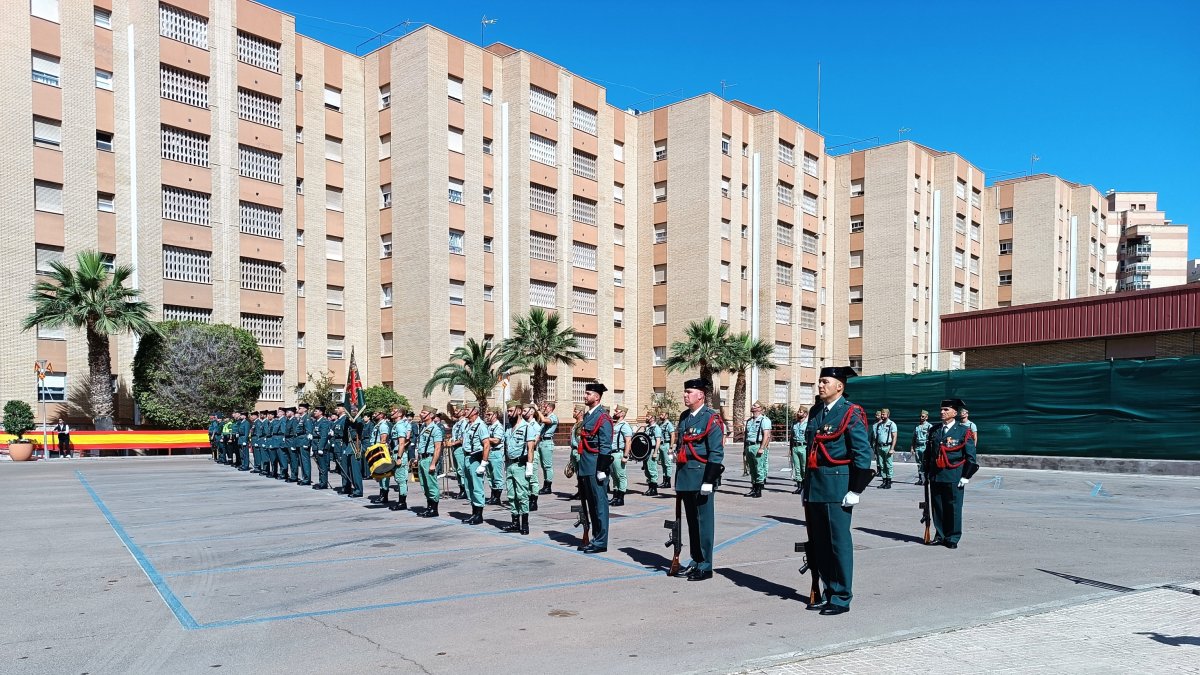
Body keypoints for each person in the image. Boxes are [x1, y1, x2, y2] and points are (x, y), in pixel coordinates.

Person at [803, 366, 873, 615]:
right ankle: (828, 590)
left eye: (825, 381)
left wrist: (856, 489)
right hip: (814, 486)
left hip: (837, 486)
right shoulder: (815, 412)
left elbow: (862, 453)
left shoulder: (851, 412)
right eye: (819, 382)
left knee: (838, 543)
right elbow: (811, 450)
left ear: (839, 386)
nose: (820, 385)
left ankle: (842, 596)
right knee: (820, 544)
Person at [672, 378, 726, 581]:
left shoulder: (711, 418)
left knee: (704, 523)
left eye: (689, 392)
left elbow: (716, 453)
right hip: (685, 476)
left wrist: (709, 481)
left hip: (701, 476)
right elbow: (681, 446)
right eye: (685, 392)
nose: (685, 395)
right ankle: (695, 560)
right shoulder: (684, 416)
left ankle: (706, 565)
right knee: (692, 523)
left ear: (701, 395)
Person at [924, 399, 979, 549]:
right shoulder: (934, 430)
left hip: (954, 474)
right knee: (938, 506)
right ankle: (940, 535)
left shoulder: (963, 430)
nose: (942, 412)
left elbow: (971, 457)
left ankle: (952, 537)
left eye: (946, 409)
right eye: (941, 410)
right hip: (936, 475)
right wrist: (925, 472)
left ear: (955, 413)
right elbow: (928, 453)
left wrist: (966, 476)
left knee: (953, 507)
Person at [576, 382, 613, 554]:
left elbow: (605, 446)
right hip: (586, 466)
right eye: (585, 393)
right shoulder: (589, 415)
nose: (585, 396)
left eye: (588, 393)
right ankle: (596, 537)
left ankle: (601, 541)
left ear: (597, 397)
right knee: (591, 505)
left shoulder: (602, 417)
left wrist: (602, 469)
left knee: (600, 505)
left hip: (596, 466)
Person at [501, 404, 538, 533]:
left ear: (519, 411)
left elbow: (530, 448)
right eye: (508, 411)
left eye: (511, 411)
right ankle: (515, 523)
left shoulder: (527, 428)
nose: (509, 413)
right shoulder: (509, 428)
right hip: (510, 464)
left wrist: (530, 466)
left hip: (520, 465)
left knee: (522, 494)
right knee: (511, 495)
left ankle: (525, 524)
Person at [414, 405, 445, 518]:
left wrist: (433, 463)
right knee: (425, 484)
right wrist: (417, 458)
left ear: (430, 415)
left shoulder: (435, 429)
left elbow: (437, 448)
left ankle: (434, 509)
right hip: (423, 459)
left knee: (431, 484)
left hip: (429, 459)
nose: (421, 414)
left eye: (423, 412)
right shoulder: (424, 427)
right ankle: (429, 507)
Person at [461, 407, 488, 524]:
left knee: (477, 487)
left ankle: (479, 515)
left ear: (475, 411)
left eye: (467, 409)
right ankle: (473, 513)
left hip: (476, 458)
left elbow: (486, 445)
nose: (465, 411)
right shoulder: (468, 425)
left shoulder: (481, 425)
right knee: (469, 486)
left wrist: (483, 463)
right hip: (467, 457)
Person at [743, 401, 772, 498]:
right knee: (752, 469)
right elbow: (746, 435)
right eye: (752, 406)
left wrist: (762, 448)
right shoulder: (749, 420)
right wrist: (744, 448)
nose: (753, 407)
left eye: (755, 406)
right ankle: (753, 488)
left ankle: (759, 490)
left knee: (759, 468)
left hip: (757, 445)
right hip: (749, 446)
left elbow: (766, 435)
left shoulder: (764, 420)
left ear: (760, 409)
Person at [367, 410, 393, 506]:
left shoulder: (383, 425)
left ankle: (384, 496)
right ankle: (382, 494)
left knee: (384, 475)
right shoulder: (378, 424)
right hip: (376, 451)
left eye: (375, 413)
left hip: (380, 452)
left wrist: (380, 451)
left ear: (381, 415)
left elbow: (383, 438)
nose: (374, 415)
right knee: (379, 474)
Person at [609, 405, 633, 506]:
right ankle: (615, 496)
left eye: (617, 411)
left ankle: (621, 498)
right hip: (612, 453)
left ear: (622, 413)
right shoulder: (615, 425)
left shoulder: (624, 426)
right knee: (614, 476)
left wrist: (625, 456)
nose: (615, 412)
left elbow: (628, 441)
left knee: (621, 476)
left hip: (619, 453)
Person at [482, 408, 507, 506]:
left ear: (495, 415)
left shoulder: (498, 426)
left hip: (496, 453)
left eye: (489, 414)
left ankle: (497, 497)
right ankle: (493, 495)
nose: (487, 416)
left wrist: (485, 439)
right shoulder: (489, 426)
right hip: (489, 452)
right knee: (490, 476)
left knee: (497, 476)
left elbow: (497, 440)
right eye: (487, 414)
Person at [389, 408, 412, 511]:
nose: (391, 413)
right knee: (399, 479)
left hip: (400, 455)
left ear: (400, 414)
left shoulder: (400, 426)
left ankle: (402, 503)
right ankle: (401, 501)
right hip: (395, 453)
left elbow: (402, 443)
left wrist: (399, 457)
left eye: (394, 411)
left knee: (402, 480)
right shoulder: (397, 425)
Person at [534, 402, 558, 496]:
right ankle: (545, 485)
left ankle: (548, 486)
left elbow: (544, 420)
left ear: (551, 408)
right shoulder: (546, 417)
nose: (545, 408)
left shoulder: (553, 417)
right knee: (544, 466)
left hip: (547, 443)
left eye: (546, 407)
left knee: (547, 465)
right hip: (542, 442)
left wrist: (538, 410)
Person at [873, 408, 898, 489]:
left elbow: (894, 437)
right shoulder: (879, 425)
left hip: (888, 447)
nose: (882, 416)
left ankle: (889, 481)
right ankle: (884, 481)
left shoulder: (891, 424)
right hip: (880, 447)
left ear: (888, 415)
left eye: (884, 414)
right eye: (882, 414)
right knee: (881, 465)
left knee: (888, 465)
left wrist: (892, 448)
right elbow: (877, 437)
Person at [449, 408, 469, 499]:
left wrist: (453, 443)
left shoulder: (464, 422)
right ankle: (461, 488)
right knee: (457, 470)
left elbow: (463, 438)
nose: (455, 411)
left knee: (461, 470)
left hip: (460, 448)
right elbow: (454, 436)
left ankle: (465, 489)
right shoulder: (457, 423)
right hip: (455, 448)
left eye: (457, 410)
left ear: (462, 411)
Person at [310, 407, 331, 489]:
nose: (314, 412)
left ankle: (323, 483)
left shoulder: (324, 422)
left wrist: (320, 448)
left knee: (323, 466)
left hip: (320, 446)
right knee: (319, 466)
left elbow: (324, 436)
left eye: (316, 411)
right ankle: (321, 481)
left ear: (321, 412)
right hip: (315, 445)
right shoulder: (316, 422)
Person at [642, 413, 661, 497]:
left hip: (652, 449)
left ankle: (654, 489)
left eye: (648, 416)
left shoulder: (656, 428)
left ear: (653, 418)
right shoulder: (647, 428)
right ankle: (650, 487)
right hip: (647, 450)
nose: (647, 418)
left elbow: (658, 440)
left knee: (652, 469)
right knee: (647, 470)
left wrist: (655, 452)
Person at [790, 407, 808, 494]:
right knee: (797, 467)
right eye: (798, 411)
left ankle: (805, 486)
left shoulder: (808, 424)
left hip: (804, 446)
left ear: (805, 414)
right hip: (795, 446)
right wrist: (790, 448)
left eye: (800, 412)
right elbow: (791, 437)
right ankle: (799, 486)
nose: (798, 413)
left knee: (804, 467)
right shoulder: (794, 424)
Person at [912, 410, 932, 485]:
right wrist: (912, 447)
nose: (921, 418)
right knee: (919, 464)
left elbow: (931, 438)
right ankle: (920, 479)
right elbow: (914, 437)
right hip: (918, 447)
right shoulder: (917, 426)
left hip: (925, 447)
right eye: (920, 416)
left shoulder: (929, 426)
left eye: (923, 416)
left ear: (926, 417)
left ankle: (927, 479)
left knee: (926, 463)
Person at [658, 412, 676, 489]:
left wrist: (671, 447)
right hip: (661, 445)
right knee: (663, 464)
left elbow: (673, 435)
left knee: (667, 464)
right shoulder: (661, 424)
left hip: (666, 445)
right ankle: (664, 480)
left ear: (666, 416)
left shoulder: (669, 424)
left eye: (662, 414)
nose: (660, 416)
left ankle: (668, 482)